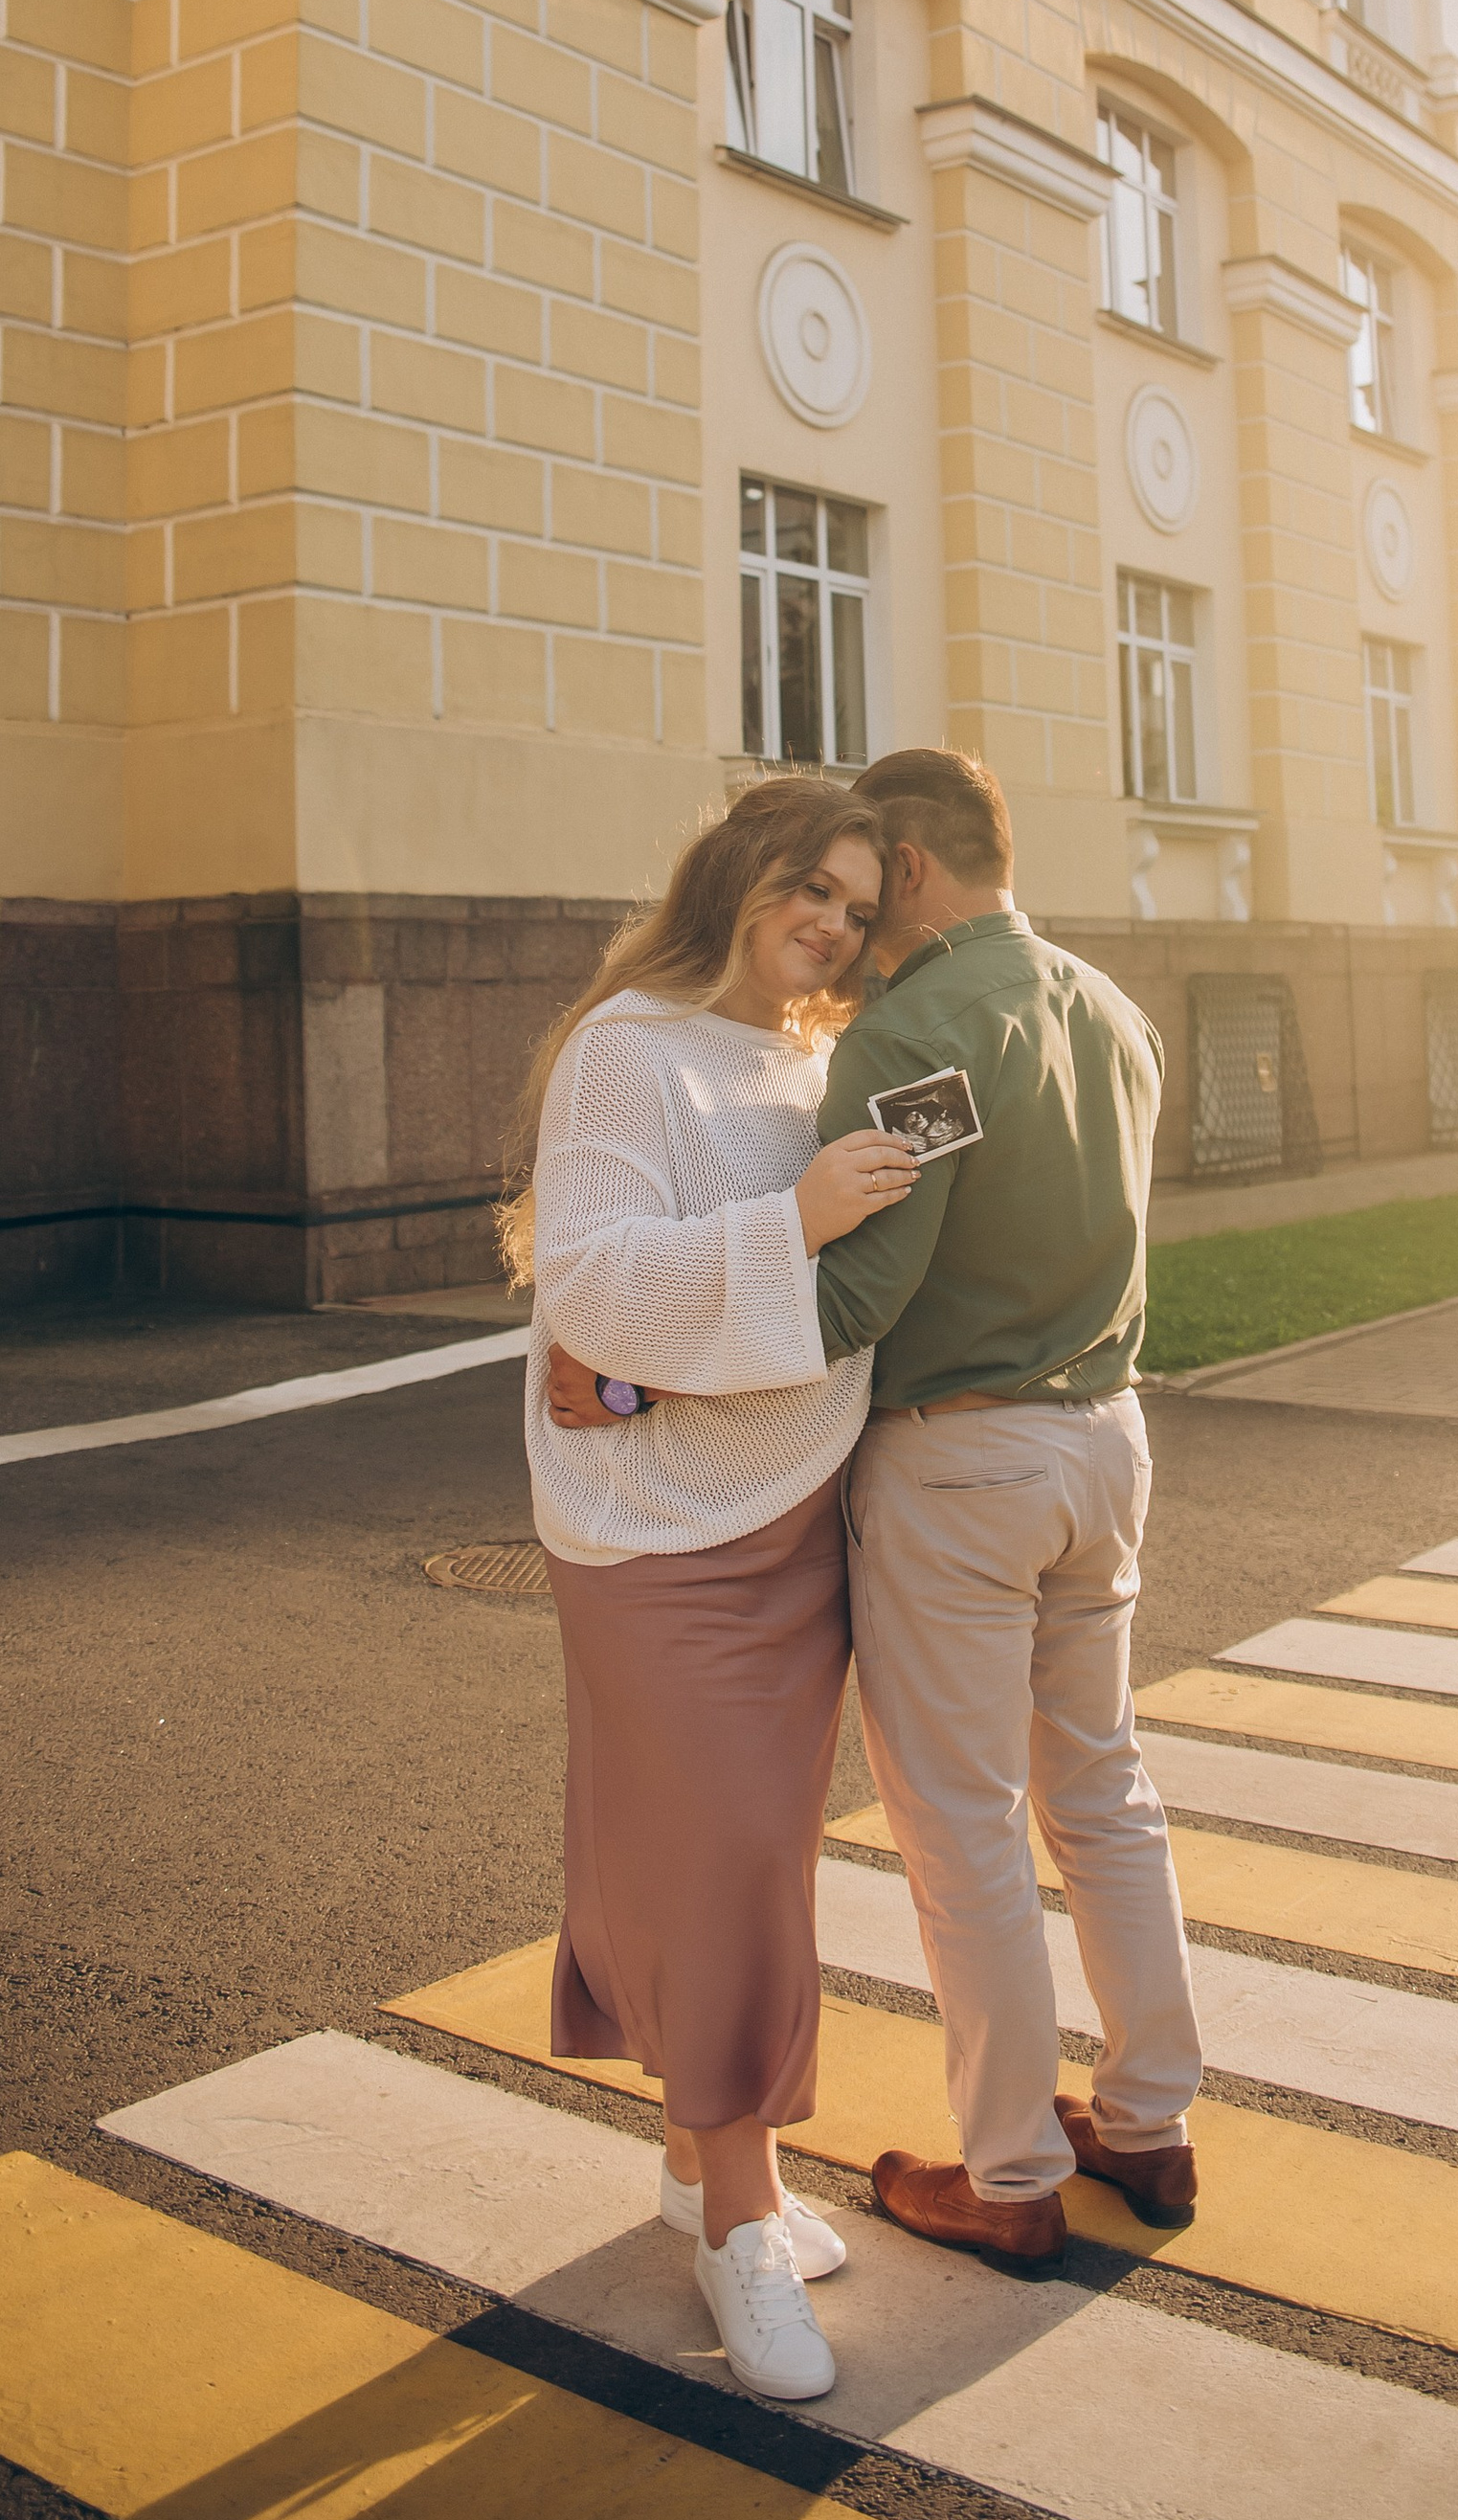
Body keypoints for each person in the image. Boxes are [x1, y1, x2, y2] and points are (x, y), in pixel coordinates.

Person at [500, 774, 917, 2401]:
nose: (829, 921)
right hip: (649, 1533)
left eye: (858, 908)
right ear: (738, 871)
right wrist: (795, 1215)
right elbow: (596, 1289)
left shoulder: (815, 1057)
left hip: (788, 1512)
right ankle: (738, 2218)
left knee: (743, 1857)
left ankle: (698, 2164)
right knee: (724, 1858)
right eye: (808, 885)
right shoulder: (630, 1046)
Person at [812, 746, 1203, 2270]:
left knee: (961, 1825)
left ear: (908, 867)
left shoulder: (920, 1031)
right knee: (1100, 1792)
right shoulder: (1111, 1010)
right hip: (1110, 1441)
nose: (851, 928)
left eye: (861, 891)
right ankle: (1152, 2126)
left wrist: (683, 1316)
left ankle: (1012, 2175)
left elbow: (867, 1287)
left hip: (964, 1461)